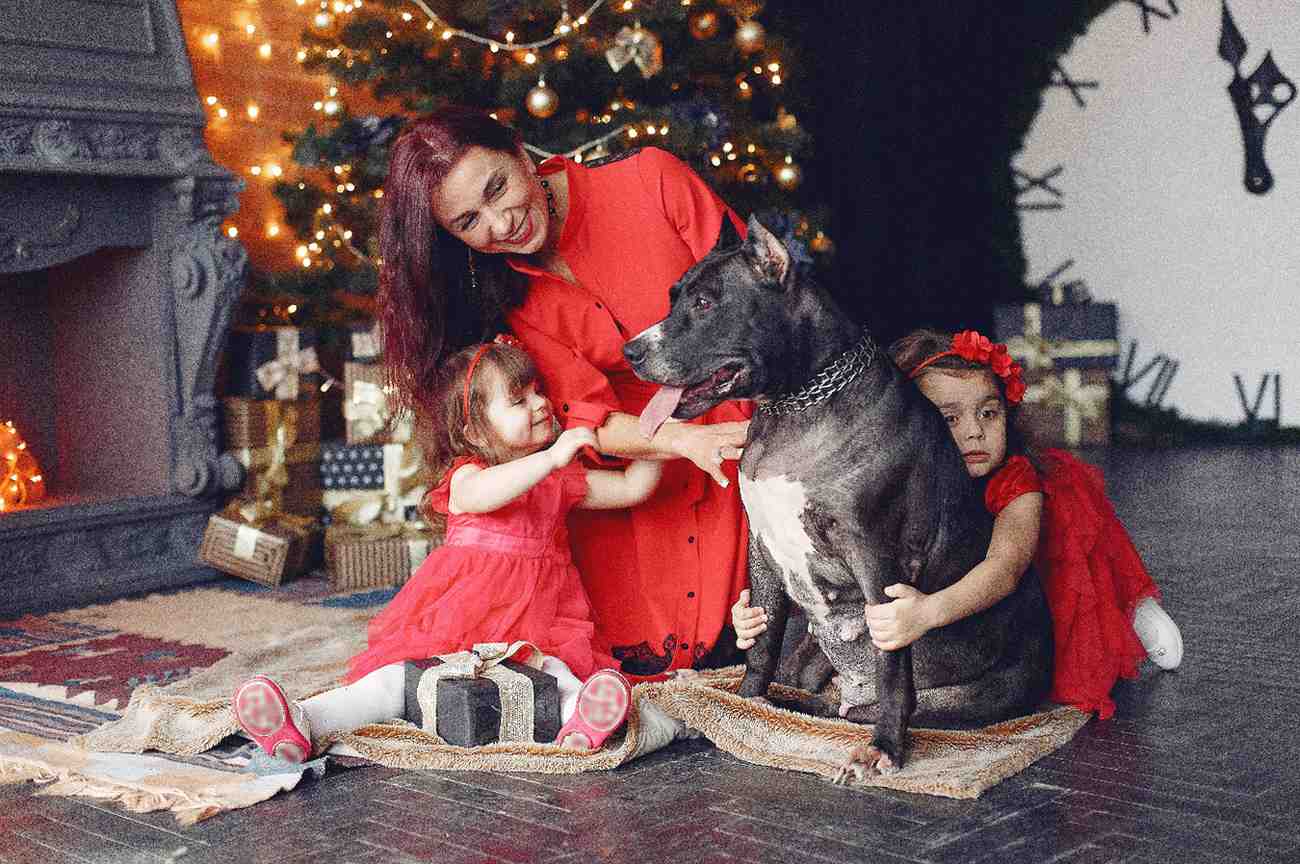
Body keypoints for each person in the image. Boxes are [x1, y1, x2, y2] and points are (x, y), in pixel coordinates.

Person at [378, 106, 752, 681]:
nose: (500, 226)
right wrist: (675, 439)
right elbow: (581, 415)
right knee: (608, 654)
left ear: (519, 149)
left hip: (738, 414)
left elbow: (762, 301)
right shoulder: (505, 296)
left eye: (498, 188)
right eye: (470, 222)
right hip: (637, 451)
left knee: (734, 636)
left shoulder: (651, 179)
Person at [233, 340, 662, 761]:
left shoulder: (560, 480)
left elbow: (632, 487)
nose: (540, 404)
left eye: (538, 391)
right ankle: (304, 722)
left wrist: (663, 433)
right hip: (460, 612)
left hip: (539, 616)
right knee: (393, 682)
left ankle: (581, 719)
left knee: (553, 672)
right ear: (474, 430)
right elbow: (480, 497)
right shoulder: (467, 474)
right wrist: (550, 459)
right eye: (518, 400)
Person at [732, 328, 1184, 719]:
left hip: (1035, 583)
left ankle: (1137, 614)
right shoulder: (895, 481)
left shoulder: (1015, 484)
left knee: (1090, 602)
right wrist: (761, 612)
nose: (973, 431)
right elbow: (838, 574)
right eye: (949, 418)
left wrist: (928, 612)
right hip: (950, 593)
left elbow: (1004, 570)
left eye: (989, 413)